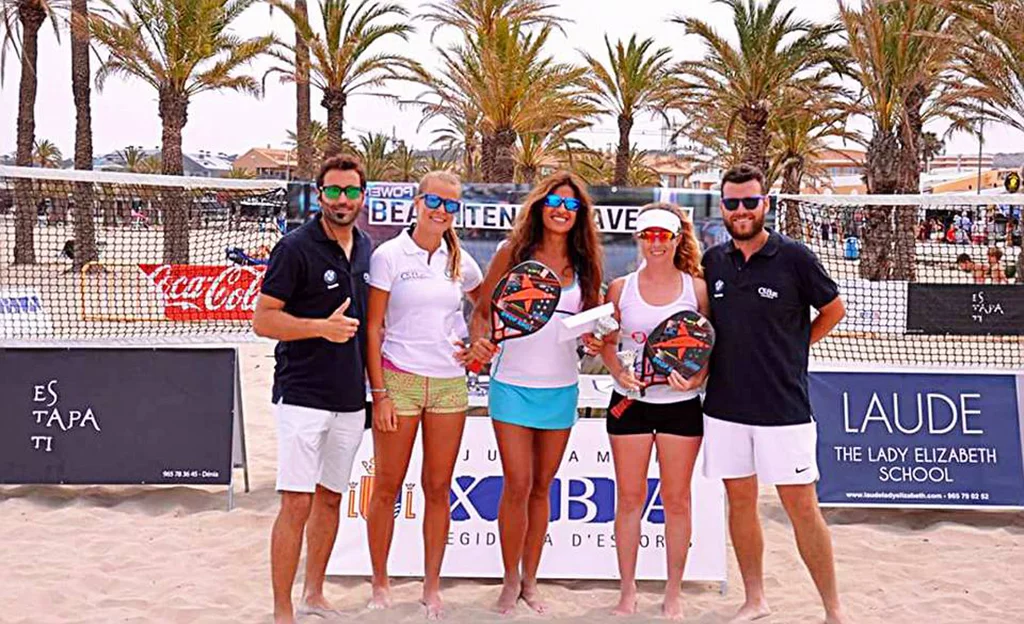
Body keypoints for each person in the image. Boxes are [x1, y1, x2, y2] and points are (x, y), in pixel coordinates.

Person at [700, 164, 847, 624]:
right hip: (725, 407)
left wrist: (795, 346)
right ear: (722, 207)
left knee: (803, 508)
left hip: (784, 408)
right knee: (740, 503)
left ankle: (834, 610)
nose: (741, 211)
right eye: (732, 203)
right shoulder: (714, 261)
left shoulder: (794, 257)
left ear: (765, 204)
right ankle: (755, 599)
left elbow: (834, 309)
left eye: (750, 202)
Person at [470, 171, 605, 614]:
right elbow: (483, 310)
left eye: (571, 206)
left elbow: (596, 326)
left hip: (560, 388)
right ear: (540, 207)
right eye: (554, 203)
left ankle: (531, 581)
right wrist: (482, 340)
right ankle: (509, 580)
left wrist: (596, 339)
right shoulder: (513, 253)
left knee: (542, 488)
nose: (562, 211)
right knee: (518, 483)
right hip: (512, 385)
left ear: (579, 214)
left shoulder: (585, 266)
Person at [364, 171, 490, 619]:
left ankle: (430, 586)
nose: (442, 211)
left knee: (438, 488)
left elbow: (485, 307)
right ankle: (380, 582)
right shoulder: (389, 255)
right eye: (435, 201)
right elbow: (374, 326)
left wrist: (477, 342)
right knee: (387, 488)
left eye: (451, 205)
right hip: (397, 381)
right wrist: (378, 392)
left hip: (448, 385)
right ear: (417, 202)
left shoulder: (461, 262)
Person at [252, 154, 373, 624]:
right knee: (297, 501)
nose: (342, 200)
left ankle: (315, 594)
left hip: (349, 398)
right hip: (302, 394)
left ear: (362, 196)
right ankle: (283, 609)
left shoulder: (365, 248)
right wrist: (320, 328)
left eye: (351, 191)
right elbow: (264, 319)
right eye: (334, 191)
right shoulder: (295, 247)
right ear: (319, 195)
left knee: (330, 498)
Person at [599, 203, 710, 620]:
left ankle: (674, 592)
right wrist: (619, 373)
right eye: (648, 235)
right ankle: (627, 591)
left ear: (678, 238)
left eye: (664, 235)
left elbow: (707, 348)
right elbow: (607, 344)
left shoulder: (695, 289)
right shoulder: (620, 288)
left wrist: (697, 378)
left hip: (679, 407)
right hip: (630, 406)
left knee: (676, 501)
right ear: (638, 238)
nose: (656, 243)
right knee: (629, 499)